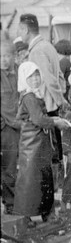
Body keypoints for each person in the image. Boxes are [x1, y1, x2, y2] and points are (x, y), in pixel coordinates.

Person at [14, 62, 71, 225]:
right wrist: (55, 123)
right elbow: (39, 119)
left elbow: (35, 117)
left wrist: (53, 119)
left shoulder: (32, 95)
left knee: (39, 177)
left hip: (37, 142)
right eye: (30, 76)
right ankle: (29, 214)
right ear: (24, 79)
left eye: (37, 75)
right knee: (32, 179)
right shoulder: (30, 97)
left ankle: (41, 212)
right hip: (33, 144)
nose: (35, 79)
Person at [1, 39, 20, 213]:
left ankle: (14, 204)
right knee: (8, 167)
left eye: (7, 55)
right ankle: (10, 203)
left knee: (14, 167)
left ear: (13, 56)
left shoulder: (20, 73)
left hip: (19, 126)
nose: (4, 60)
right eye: (1, 56)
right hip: (6, 128)